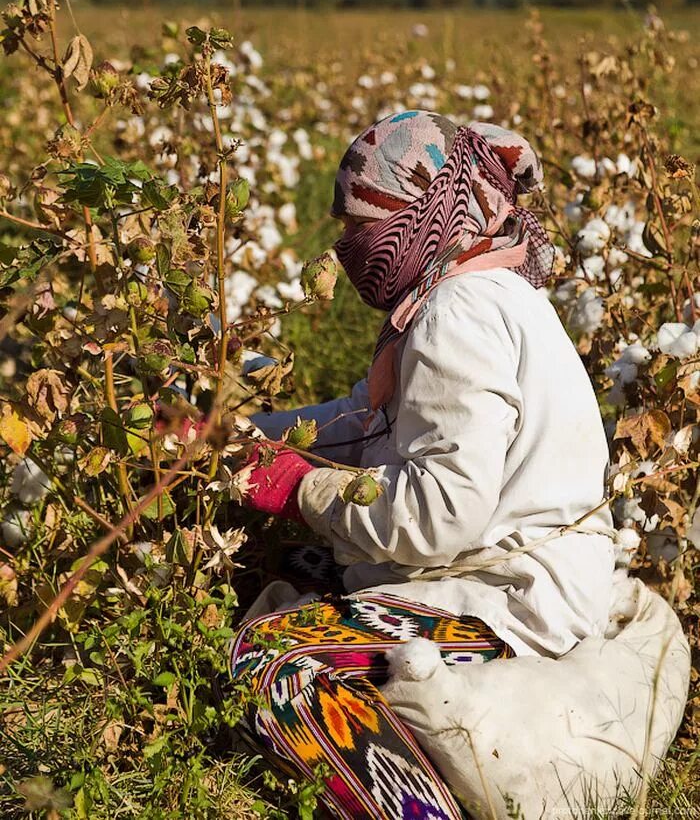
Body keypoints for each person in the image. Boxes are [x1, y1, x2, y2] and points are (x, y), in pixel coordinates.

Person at [228, 110, 615, 820]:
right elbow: (362, 424)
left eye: (361, 223)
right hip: (522, 572)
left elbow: (439, 515)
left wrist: (303, 489)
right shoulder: (475, 287)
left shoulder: (455, 313)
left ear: (421, 215)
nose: (348, 245)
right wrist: (240, 437)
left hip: (510, 594)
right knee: (285, 570)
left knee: (273, 664)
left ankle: (418, 809)